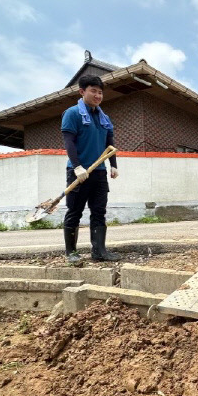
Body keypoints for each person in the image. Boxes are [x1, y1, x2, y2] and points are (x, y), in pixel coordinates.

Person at [62, 75, 120, 263]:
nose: (97, 95)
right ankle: (71, 253)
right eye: (93, 90)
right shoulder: (72, 113)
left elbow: (109, 144)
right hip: (78, 172)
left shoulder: (104, 118)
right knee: (74, 211)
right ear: (82, 91)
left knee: (99, 211)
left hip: (99, 172)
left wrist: (113, 165)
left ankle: (99, 251)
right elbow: (69, 142)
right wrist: (77, 167)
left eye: (100, 92)